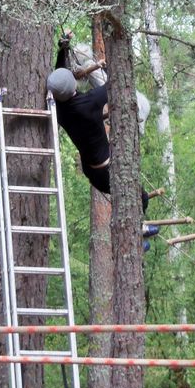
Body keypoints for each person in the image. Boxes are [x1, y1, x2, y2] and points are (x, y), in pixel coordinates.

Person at [49, 33, 158, 247]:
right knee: (141, 197)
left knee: (127, 197)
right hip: (105, 171)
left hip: (93, 169)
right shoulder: (88, 104)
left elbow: (58, 75)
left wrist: (63, 47)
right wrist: (107, 66)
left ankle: (138, 231)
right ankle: (138, 233)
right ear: (72, 86)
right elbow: (113, 84)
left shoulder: (60, 108)